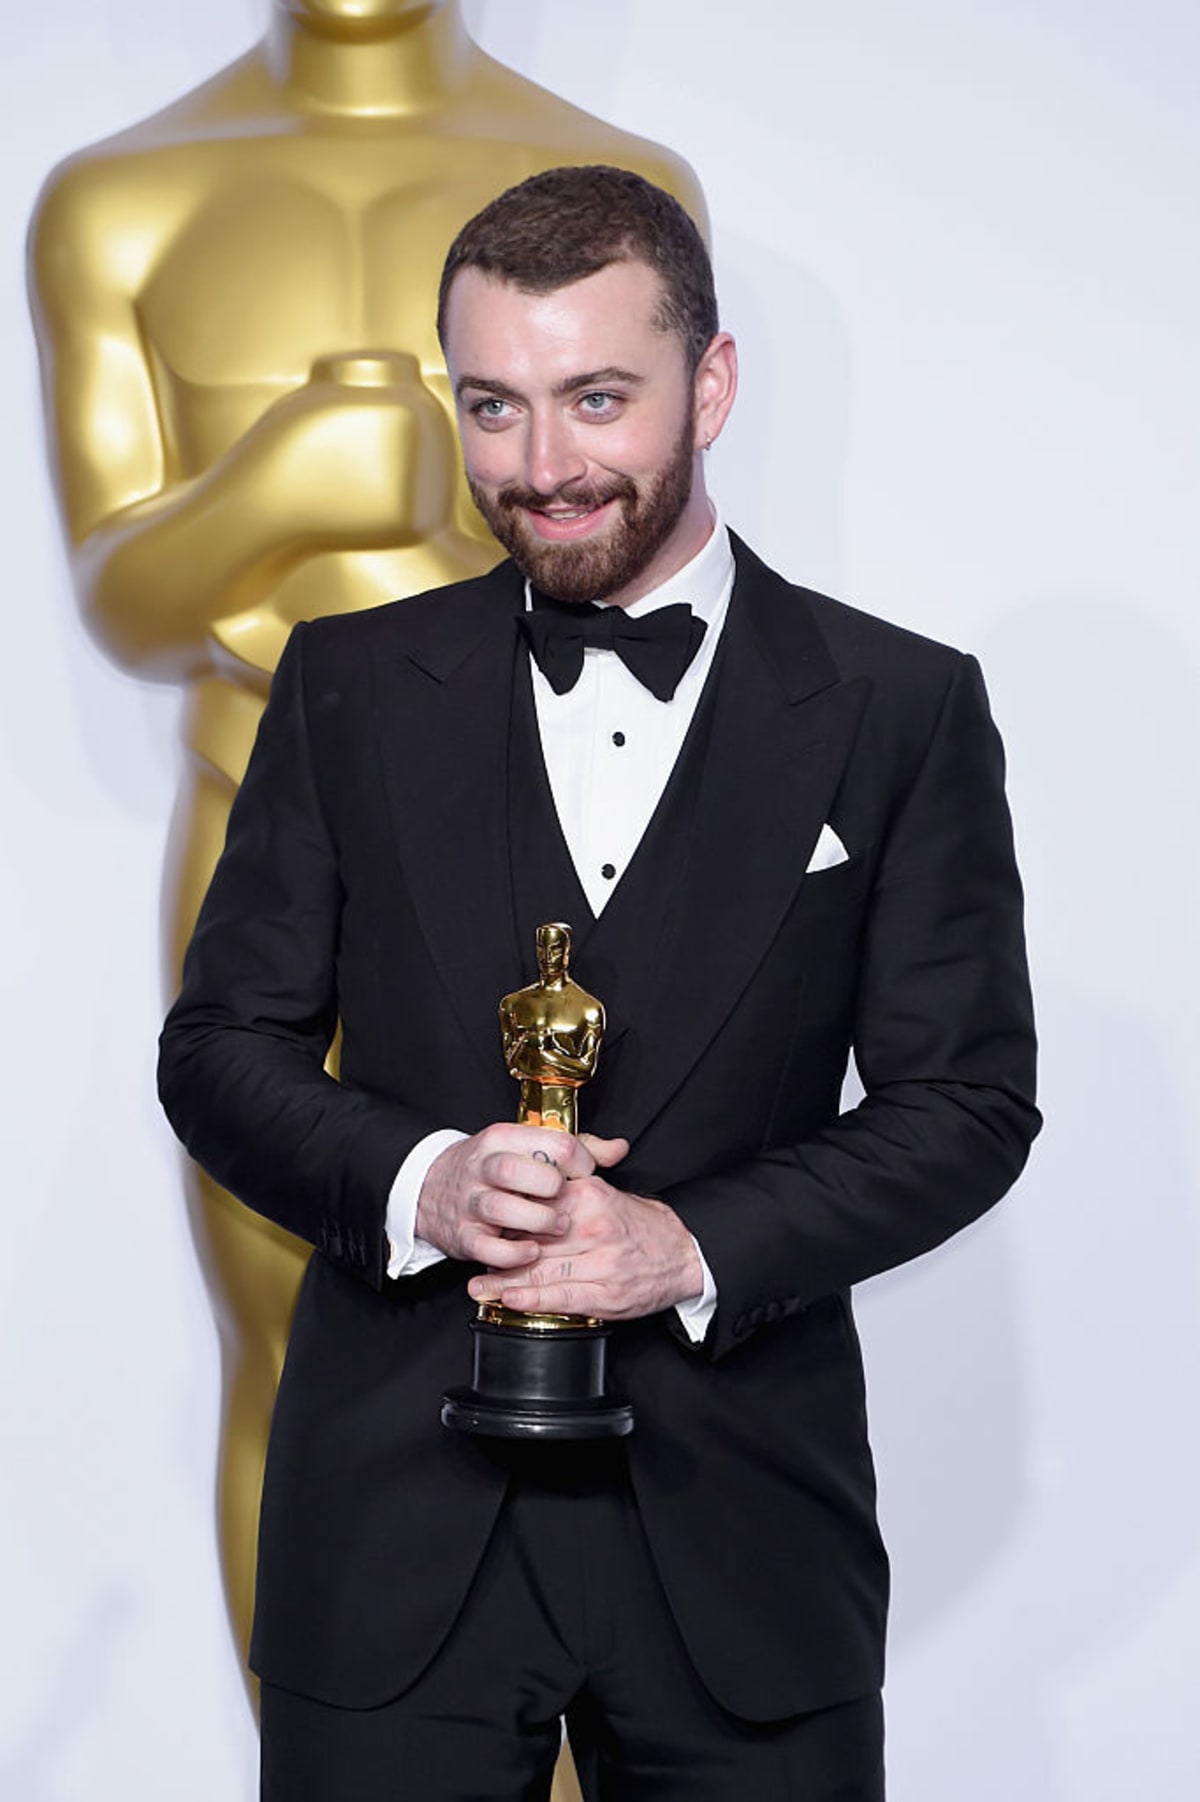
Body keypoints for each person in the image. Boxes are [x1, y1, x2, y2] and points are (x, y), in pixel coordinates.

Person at [158, 164, 1039, 1801]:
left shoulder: (900, 707)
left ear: (711, 385)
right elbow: (219, 1048)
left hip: (748, 1548)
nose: (542, 466)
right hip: (391, 1551)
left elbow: (970, 1102)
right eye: (493, 405)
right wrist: (423, 1182)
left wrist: (687, 1245)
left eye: (597, 398)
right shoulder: (348, 684)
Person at [28, 0, 704, 1690]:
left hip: (575, 810)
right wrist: (282, 482)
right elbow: (124, 601)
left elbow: (643, 530)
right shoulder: (121, 198)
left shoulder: (620, 180)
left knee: (595, 1320)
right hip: (257, 811)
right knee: (283, 1345)